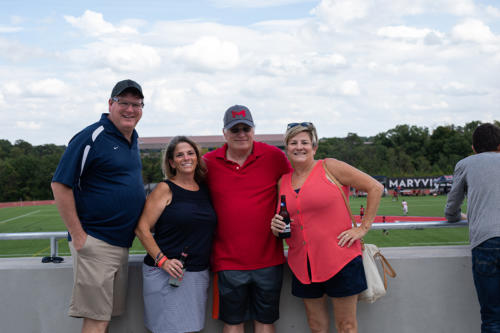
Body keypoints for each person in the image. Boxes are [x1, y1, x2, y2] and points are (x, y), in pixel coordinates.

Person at [51, 79, 146, 333]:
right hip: (96, 241)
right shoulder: (91, 137)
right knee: (96, 320)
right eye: (123, 102)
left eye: (136, 104)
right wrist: (80, 236)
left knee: (107, 317)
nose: (130, 109)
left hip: (120, 243)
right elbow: (60, 185)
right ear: (110, 104)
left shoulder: (132, 139)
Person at [270, 122, 383, 333]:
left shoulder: (329, 167)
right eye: (293, 143)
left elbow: (375, 187)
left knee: (346, 326)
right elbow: (287, 220)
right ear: (287, 149)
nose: (299, 147)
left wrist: (362, 228)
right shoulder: (283, 181)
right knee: (316, 327)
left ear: (314, 147)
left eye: (305, 142)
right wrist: (276, 226)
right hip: (302, 265)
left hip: (340, 260)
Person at [203, 105, 291, 333]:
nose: (241, 134)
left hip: (269, 259)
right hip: (227, 260)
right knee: (233, 323)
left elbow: (297, 189)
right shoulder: (208, 162)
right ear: (224, 133)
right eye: (235, 129)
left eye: (246, 128)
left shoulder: (274, 156)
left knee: (265, 321)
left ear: (254, 130)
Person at [135, 136, 217, 333]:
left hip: (197, 274)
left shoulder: (205, 190)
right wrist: (163, 261)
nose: (186, 158)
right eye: (179, 155)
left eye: (190, 153)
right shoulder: (165, 188)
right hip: (166, 273)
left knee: (191, 328)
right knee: (167, 328)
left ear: (197, 158)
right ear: (171, 162)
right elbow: (142, 228)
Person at [445, 123, 500, 332]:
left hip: (485, 241)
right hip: (487, 240)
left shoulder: (466, 164)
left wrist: (458, 216)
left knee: (492, 318)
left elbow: (451, 209)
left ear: (474, 148)